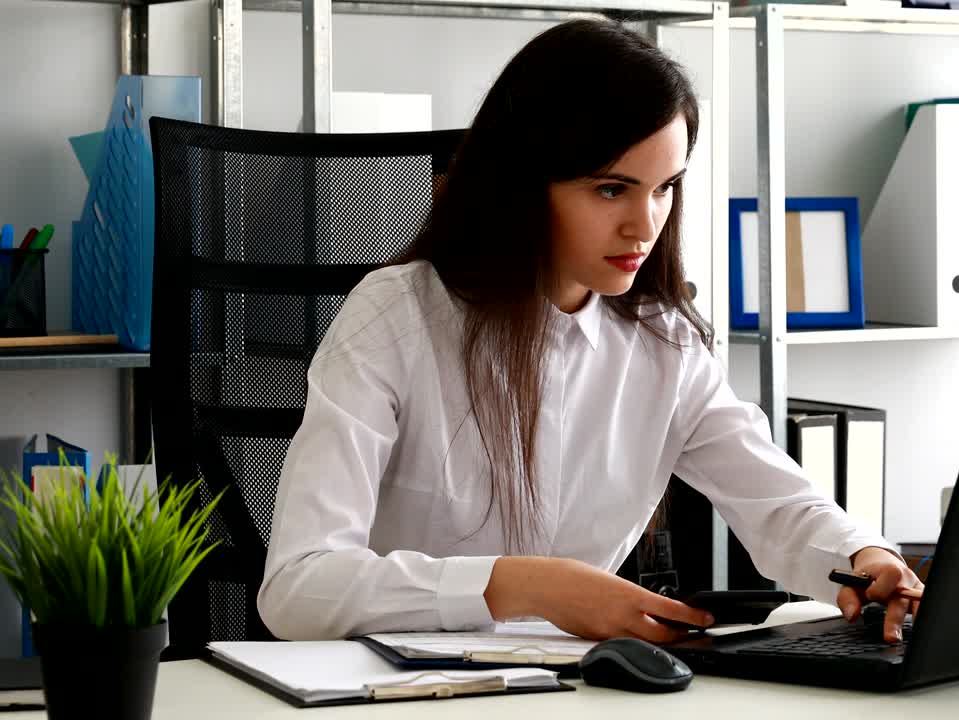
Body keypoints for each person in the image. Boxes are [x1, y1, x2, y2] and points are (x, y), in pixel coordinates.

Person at [257, 17, 923, 646]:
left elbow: (778, 505)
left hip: (572, 688)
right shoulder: (396, 316)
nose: (646, 224)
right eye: (611, 189)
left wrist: (865, 557)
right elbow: (297, 587)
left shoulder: (664, 343)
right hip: (397, 693)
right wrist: (523, 586)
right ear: (522, 183)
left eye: (664, 187)